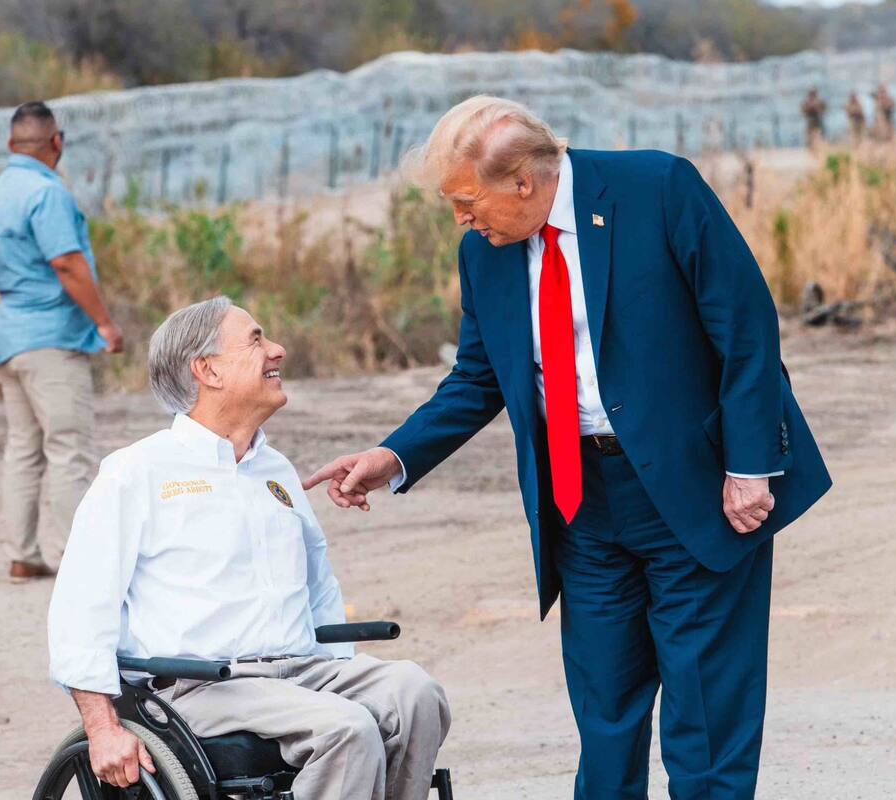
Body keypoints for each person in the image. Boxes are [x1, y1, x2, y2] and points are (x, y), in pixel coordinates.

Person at [306, 96, 832, 799]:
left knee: (705, 717)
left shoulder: (658, 189)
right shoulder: (483, 253)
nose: (461, 219)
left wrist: (749, 465)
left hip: (697, 489)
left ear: (523, 181)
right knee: (606, 714)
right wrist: (395, 456)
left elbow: (746, 330)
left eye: (468, 201)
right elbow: (479, 375)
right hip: (579, 503)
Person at [48, 297, 450, 799]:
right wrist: (102, 727)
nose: (277, 350)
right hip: (201, 687)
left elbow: (318, 582)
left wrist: (336, 668)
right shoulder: (136, 472)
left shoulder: (274, 468)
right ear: (207, 370)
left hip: (299, 670)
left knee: (416, 693)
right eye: (257, 340)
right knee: (347, 728)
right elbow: (80, 608)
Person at [0, 101, 124, 581]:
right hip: (50, 338)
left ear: (10, 144)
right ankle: (74, 560)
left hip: (9, 334)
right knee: (69, 448)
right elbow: (66, 263)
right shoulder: (47, 194)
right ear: (56, 142)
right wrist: (102, 321)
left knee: (23, 447)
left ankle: (23, 553)